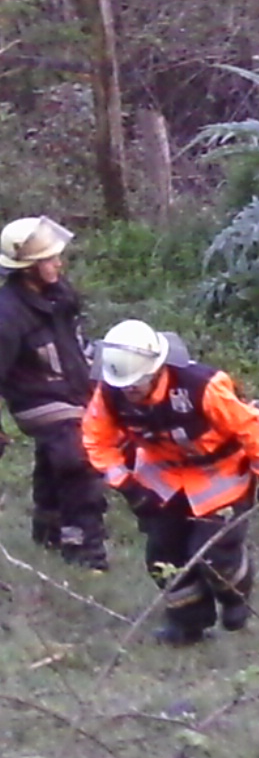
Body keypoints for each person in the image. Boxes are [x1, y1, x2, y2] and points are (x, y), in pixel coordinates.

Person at [82, 319, 259, 644]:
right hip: (162, 481)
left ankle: (235, 597)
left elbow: (250, 427)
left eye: (136, 383)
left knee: (215, 556)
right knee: (162, 557)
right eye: (125, 385)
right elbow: (97, 441)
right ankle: (189, 623)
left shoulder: (202, 386)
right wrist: (128, 486)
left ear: (156, 369)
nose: (130, 391)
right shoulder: (111, 393)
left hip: (221, 478)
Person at [0, 216, 107, 569]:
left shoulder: (60, 294)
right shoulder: (7, 314)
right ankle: (84, 550)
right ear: (27, 267)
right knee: (78, 458)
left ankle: (46, 530)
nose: (58, 263)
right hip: (35, 401)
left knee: (55, 459)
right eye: (48, 259)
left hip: (73, 390)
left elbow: (75, 346)